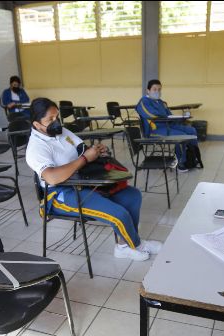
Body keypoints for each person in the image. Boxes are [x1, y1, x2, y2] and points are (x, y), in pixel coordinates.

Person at [26, 98, 162, 261]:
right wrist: (84, 159)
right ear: (37, 125)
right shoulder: (36, 148)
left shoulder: (61, 132)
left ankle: (124, 245)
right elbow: (52, 177)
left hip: (82, 182)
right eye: (50, 120)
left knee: (132, 196)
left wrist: (97, 151)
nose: (57, 122)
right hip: (59, 194)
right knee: (118, 214)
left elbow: (82, 148)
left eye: (57, 117)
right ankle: (136, 245)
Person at [136, 79, 201, 172]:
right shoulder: (143, 102)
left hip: (168, 125)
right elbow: (151, 115)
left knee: (192, 130)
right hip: (154, 130)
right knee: (181, 136)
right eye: (154, 89)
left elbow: (169, 114)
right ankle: (181, 163)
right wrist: (166, 116)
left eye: (159, 89)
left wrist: (181, 118)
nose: (157, 92)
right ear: (148, 90)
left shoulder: (161, 102)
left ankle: (193, 157)